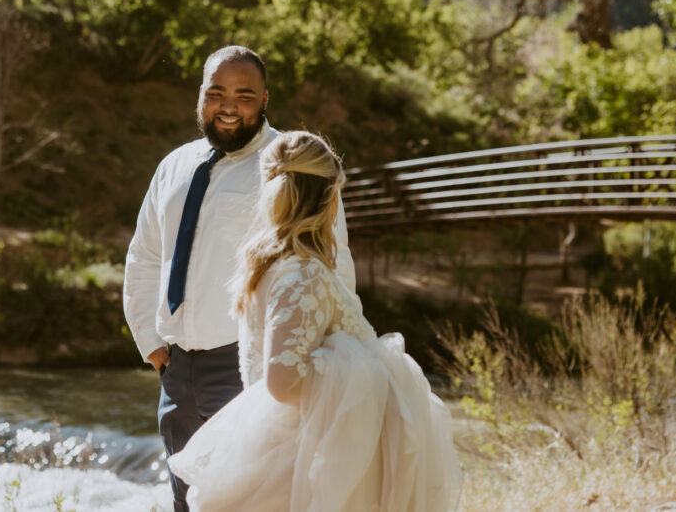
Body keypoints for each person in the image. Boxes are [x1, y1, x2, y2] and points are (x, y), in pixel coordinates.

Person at [168, 131, 462, 512]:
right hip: (308, 464)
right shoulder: (302, 274)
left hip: (299, 451)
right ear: (331, 197)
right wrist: (372, 373)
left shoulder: (273, 266)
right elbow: (283, 381)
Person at [123, 47, 355, 512]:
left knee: (246, 503)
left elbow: (332, 263)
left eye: (244, 95)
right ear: (201, 97)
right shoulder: (175, 165)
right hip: (177, 370)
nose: (228, 106)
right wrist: (150, 343)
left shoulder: (290, 166)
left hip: (249, 368)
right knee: (186, 501)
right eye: (216, 92)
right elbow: (146, 255)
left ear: (265, 98)